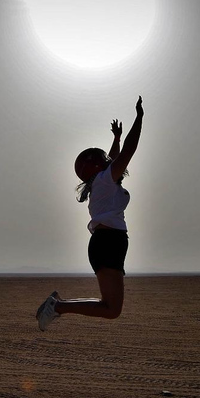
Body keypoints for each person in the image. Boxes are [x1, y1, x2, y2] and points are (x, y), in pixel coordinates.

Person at [36, 96, 144, 331]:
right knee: (112, 310)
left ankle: (58, 305)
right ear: (99, 167)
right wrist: (139, 118)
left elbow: (115, 156)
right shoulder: (105, 181)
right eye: (104, 160)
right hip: (108, 243)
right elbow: (129, 150)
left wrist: (115, 138)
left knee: (111, 307)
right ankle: (58, 307)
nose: (110, 160)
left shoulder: (102, 182)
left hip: (108, 243)